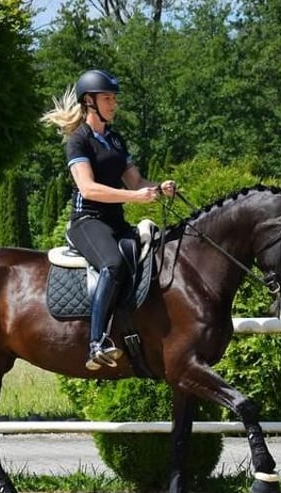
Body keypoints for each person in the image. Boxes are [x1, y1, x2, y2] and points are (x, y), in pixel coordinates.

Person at [41, 69, 176, 371]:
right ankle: (96, 343)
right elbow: (88, 189)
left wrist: (157, 188)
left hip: (115, 222)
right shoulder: (78, 142)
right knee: (112, 264)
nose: (114, 104)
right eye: (108, 98)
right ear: (89, 101)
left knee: (145, 259)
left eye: (114, 99)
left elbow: (136, 180)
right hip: (87, 222)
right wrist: (135, 198)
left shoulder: (115, 140)